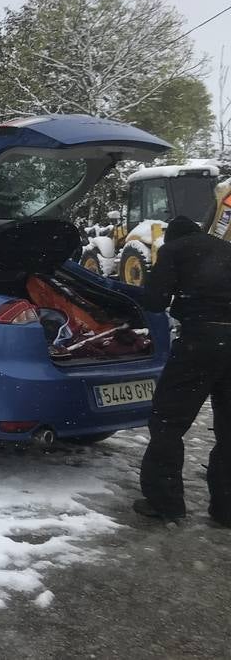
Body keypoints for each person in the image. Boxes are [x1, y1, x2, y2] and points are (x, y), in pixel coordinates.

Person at [135, 215, 231, 526]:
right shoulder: (226, 248)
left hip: (199, 342)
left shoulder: (174, 251)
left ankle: (166, 503)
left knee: (168, 422)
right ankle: (226, 509)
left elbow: (154, 300)